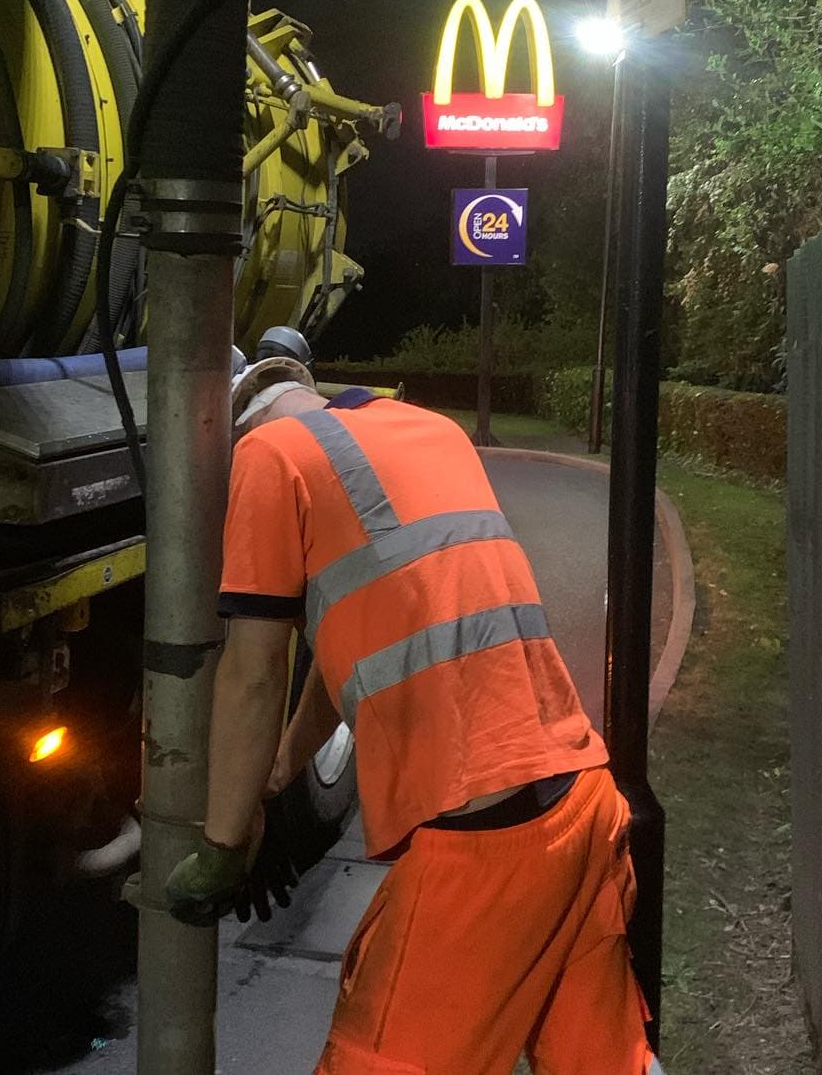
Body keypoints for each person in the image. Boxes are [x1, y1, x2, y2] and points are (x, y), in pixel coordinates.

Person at [166, 358, 660, 1075]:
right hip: (579, 808)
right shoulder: (430, 430)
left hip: (485, 850)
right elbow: (350, 656)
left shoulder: (267, 456)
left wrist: (221, 844)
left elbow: (254, 672)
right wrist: (272, 779)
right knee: (606, 1065)